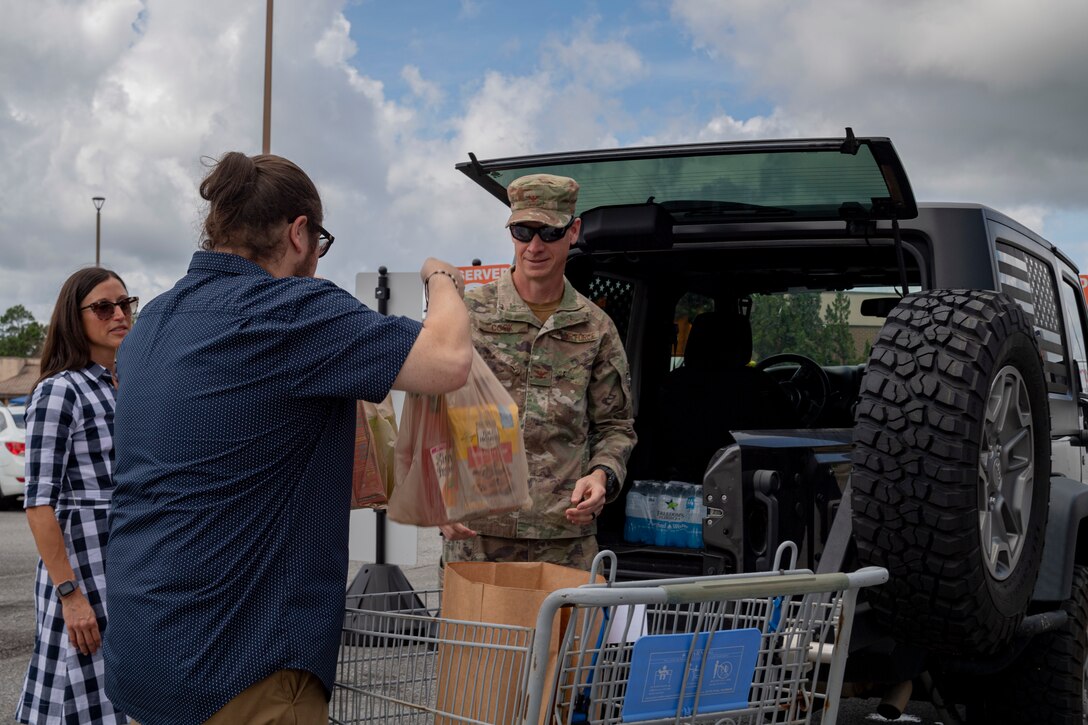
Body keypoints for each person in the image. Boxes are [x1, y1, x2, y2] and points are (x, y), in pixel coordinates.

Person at [101, 151, 471, 725]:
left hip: (146, 653)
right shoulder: (289, 311)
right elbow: (447, 361)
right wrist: (442, 279)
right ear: (299, 232)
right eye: (320, 245)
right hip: (242, 669)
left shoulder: (153, 321)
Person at [441, 173, 636, 570]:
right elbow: (431, 413)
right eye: (522, 231)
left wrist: (601, 477)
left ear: (573, 231)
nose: (533, 246)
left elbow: (615, 426)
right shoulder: (468, 314)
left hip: (563, 540)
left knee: (563, 636)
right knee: (476, 636)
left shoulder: (594, 327)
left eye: (548, 232)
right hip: (478, 539)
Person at [16, 267, 137, 725]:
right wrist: (70, 595)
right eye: (104, 307)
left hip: (126, 559)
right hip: (81, 561)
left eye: (126, 304)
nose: (119, 315)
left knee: (118, 690)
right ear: (75, 316)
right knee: (77, 678)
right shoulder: (58, 390)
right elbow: (38, 501)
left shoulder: (125, 383)